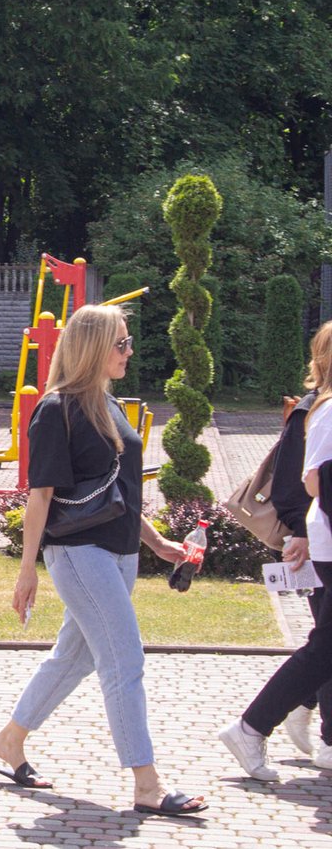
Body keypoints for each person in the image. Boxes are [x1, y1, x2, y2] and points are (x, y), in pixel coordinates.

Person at [0, 305, 206, 816]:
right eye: (121, 343)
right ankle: (147, 785)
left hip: (119, 553)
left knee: (76, 657)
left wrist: (158, 544)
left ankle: (9, 740)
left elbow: (116, 493)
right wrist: (28, 570)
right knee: (124, 661)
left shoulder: (109, 403)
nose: (129, 352)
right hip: (78, 553)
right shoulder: (55, 410)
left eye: (128, 342)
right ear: (92, 348)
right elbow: (40, 495)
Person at [220, 320, 332, 777]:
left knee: (325, 646)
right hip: (324, 541)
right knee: (324, 647)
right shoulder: (321, 410)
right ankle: (259, 726)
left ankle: (276, 719)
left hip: (323, 539)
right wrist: (299, 532)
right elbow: (309, 481)